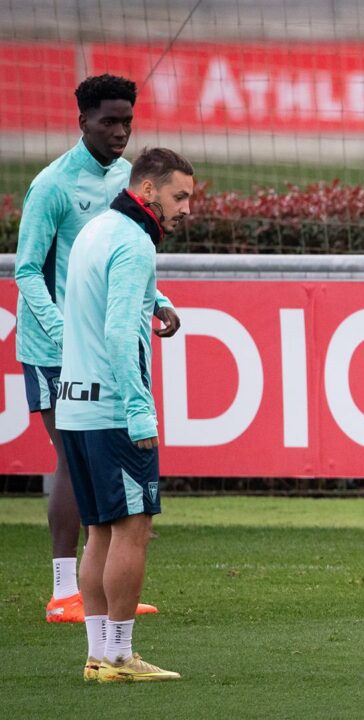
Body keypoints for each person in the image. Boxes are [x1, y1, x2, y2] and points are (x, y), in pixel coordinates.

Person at [14, 74, 177, 624]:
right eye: (109, 121)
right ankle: (65, 589)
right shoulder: (53, 185)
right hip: (53, 345)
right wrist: (65, 336)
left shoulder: (126, 184)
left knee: (96, 464)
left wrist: (155, 301)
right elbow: (26, 270)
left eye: (127, 121)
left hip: (94, 340)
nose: (120, 131)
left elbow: (116, 263)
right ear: (81, 119)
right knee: (72, 457)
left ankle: (102, 592)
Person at [57, 147, 194, 682]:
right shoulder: (135, 243)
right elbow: (117, 332)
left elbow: (103, 292)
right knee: (133, 529)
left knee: (99, 532)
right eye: (179, 197)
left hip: (75, 405)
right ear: (149, 191)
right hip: (115, 410)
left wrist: (154, 300)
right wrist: (140, 412)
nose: (186, 209)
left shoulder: (99, 229)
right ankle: (118, 656)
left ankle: (98, 654)